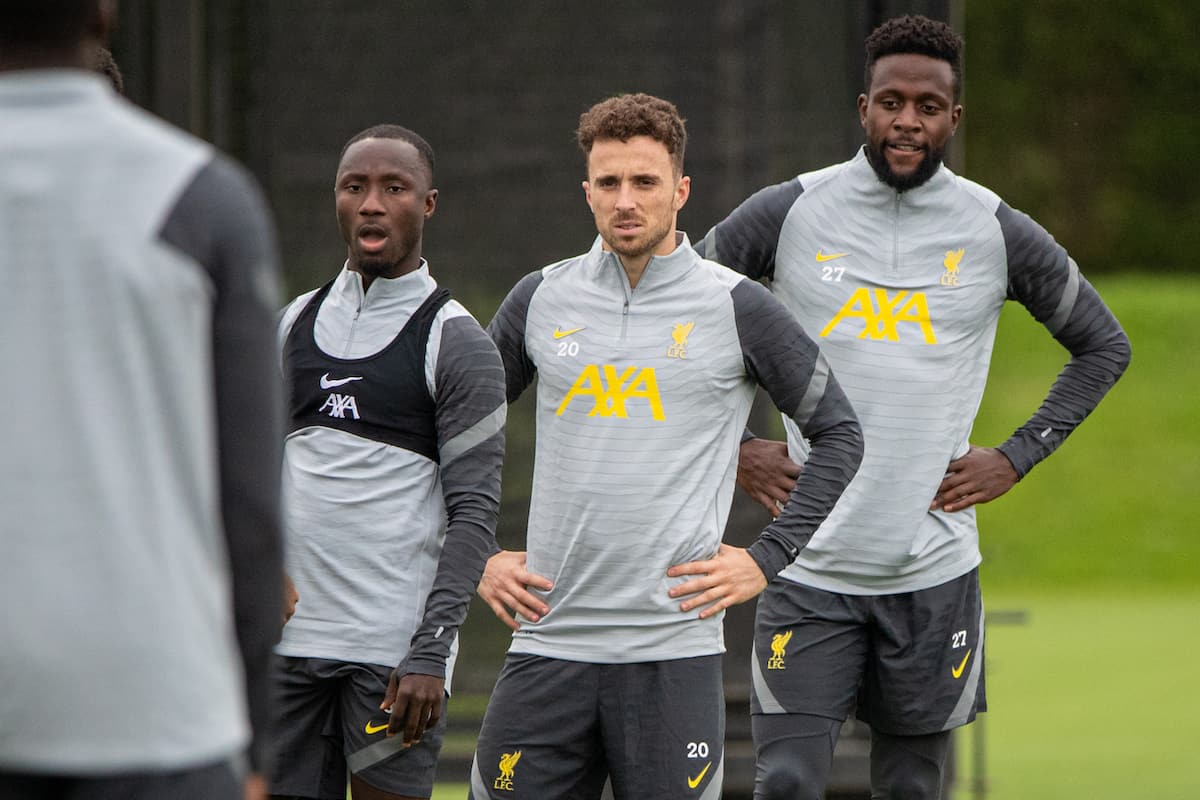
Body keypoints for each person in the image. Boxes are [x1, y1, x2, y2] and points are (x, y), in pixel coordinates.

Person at [693, 14, 1132, 799]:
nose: (907, 121)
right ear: (863, 108)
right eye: (891, 102)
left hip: (931, 574)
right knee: (787, 782)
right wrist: (736, 449)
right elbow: (676, 320)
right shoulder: (790, 212)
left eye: (927, 106)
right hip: (807, 567)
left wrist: (1017, 454)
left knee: (912, 791)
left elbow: (1104, 346)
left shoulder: (996, 229)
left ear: (953, 119)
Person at [470, 93, 864, 800]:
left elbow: (841, 435)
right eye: (610, 183)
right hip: (547, 646)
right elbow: (453, 435)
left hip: (672, 657)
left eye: (645, 182)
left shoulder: (737, 305)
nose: (627, 201)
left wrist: (766, 559)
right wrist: (478, 555)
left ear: (680, 191)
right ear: (586, 191)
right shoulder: (540, 298)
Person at [0, 1, 285, 799]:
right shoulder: (205, 198)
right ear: (104, 13)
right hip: (156, 718)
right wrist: (259, 739)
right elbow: (252, 506)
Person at [269, 124, 507, 800]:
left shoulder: (457, 342)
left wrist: (431, 647)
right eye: (355, 187)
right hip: (287, 653)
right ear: (337, 201)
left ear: (427, 204)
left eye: (393, 188)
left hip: (394, 664)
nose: (372, 203)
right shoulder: (290, 325)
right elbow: (243, 470)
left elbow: (474, 513)